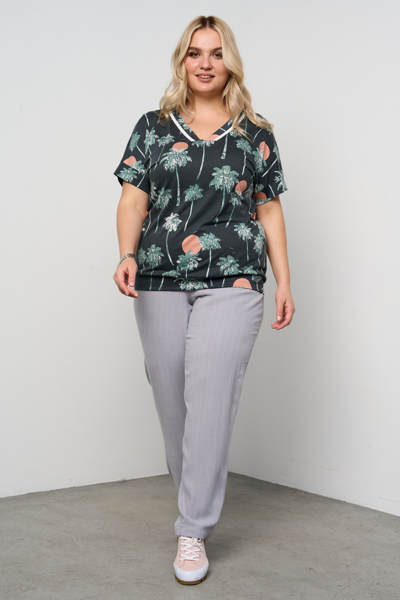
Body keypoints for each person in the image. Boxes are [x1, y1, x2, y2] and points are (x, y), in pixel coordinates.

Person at [112, 14, 295, 586]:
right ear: (183, 61)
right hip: (158, 276)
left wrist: (284, 281)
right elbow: (132, 199)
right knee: (172, 398)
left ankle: (192, 529)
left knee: (211, 395)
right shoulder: (152, 126)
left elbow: (269, 208)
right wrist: (126, 254)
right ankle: (192, 501)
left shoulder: (255, 133)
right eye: (195, 53)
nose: (206, 63)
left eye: (216, 53)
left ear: (229, 61)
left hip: (234, 278)